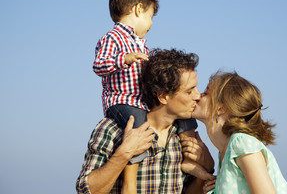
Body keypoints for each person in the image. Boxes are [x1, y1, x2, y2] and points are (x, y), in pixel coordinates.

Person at [92, 0, 200, 193]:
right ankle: (129, 182)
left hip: (140, 99)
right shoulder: (112, 38)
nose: (151, 24)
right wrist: (124, 59)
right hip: (122, 101)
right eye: (151, 17)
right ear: (138, 10)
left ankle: (192, 158)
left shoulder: (140, 42)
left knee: (185, 115)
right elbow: (98, 65)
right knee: (139, 128)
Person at [76, 48, 215, 194]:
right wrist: (124, 154)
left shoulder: (183, 138)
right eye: (189, 91)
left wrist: (205, 170)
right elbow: (86, 190)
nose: (198, 96)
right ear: (163, 97)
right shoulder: (112, 129)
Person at [188, 71, 287, 194]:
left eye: (206, 93)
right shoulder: (225, 152)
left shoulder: (240, 143)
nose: (198, 96)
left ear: (221, 109)